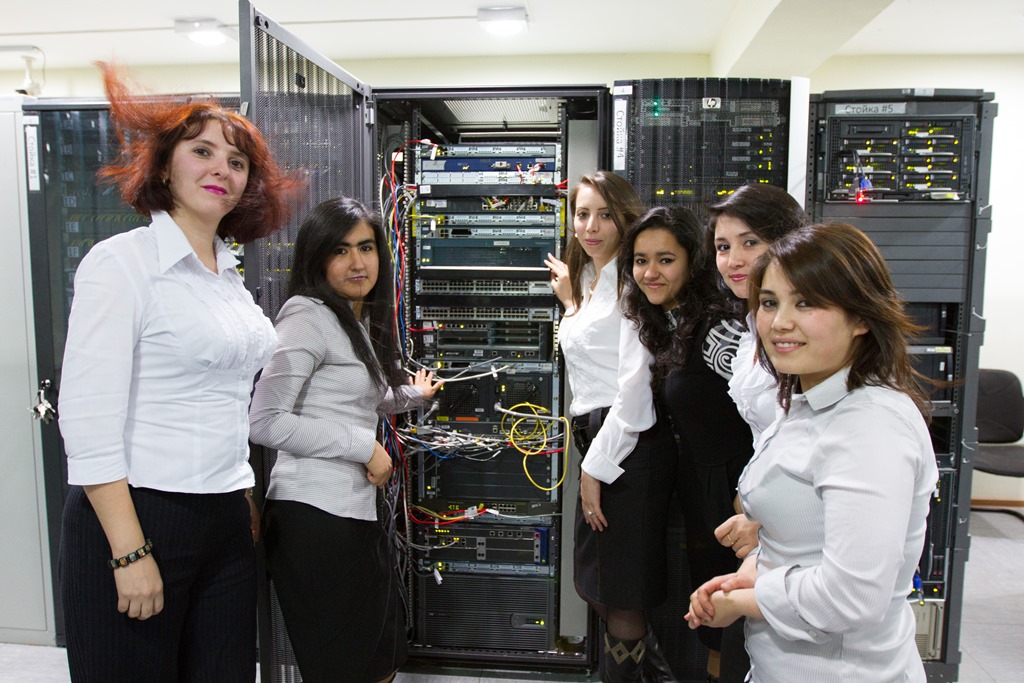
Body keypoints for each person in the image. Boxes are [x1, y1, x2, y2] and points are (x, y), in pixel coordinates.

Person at [57, 63, 298, 681]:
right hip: (138, 514)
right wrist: (129, 551)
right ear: (164, 166)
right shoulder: (122, 263)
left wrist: (238, 493)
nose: (223, 169)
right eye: (203, 151)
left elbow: (223, 397)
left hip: (224, 518)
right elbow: (87, 422)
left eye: (237, 162)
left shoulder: (226, 275)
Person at [685, 223, 937, 683]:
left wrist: (742, 601)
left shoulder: (869, 426)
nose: (780, 322)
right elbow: (807, 541)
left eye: (806, 303)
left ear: (861, 317)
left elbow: (851, 596)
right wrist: (752, 571)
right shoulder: (812, 399)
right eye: (769, 303)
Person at [248, 197, 441, 683]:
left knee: (380, 660)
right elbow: (265, 421)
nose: (357, 262)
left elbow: (356, 397)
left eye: (366, 247)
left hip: (352, 515)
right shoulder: (306, 316)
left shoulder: (349, 320)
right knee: (346, 669)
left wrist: (414, 396)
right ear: (317, 258)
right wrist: (365, 447)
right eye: (341, 250)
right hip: (313, 518)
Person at [544, 172, 677, 683]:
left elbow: (635, 395)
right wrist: (571, 305)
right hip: (600, 441)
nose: (591, 227)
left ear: (625, 219)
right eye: (582, 214)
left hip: (627, 445)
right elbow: (591, 346)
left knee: (617, 595)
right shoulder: (593, 279)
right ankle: (658, 676)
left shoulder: (630, 287)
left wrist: (595, 469)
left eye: (605, 215)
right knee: (597, 586)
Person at [621, 206, 755, 682]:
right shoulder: (673, 322)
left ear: (692, 264)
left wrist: (753, 489)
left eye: (665, 260)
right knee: (718, 622)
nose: (650, 273)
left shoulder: (718, 329)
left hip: (735, 491)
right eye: (640, 261)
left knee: (737, 623)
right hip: (705, 486)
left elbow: (776, 406)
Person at [704, 184, 811, 681]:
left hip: (799, 532)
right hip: (766, 524)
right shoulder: (755, 324)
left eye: (750, 242)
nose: (734, 260)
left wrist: (764, 519)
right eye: (723, 247)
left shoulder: (801, 333)